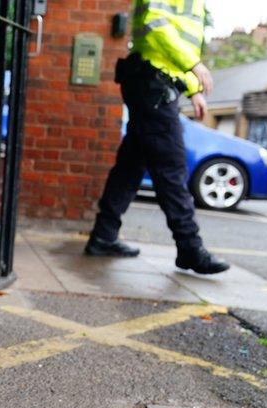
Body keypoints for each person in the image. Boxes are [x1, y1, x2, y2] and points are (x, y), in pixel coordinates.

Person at [85, 0, 229, 274]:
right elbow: (156, 25)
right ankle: (189, 247)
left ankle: (104, 235)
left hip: (153, 81)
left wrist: (191, 89)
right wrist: (194, 65)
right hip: (152, 85)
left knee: (130, 167)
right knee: (171, 168)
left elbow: (168, 55)